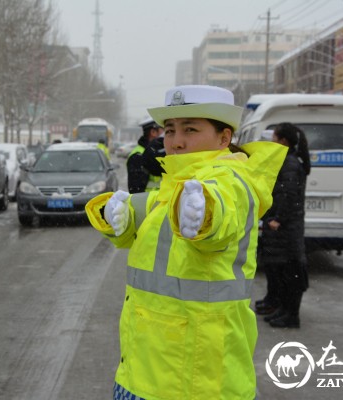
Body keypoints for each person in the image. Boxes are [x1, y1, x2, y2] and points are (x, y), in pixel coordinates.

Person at [85, 85, 287, 400]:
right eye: (170, 130)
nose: (176, 141)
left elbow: (220, 213)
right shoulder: (171, 188)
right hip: (140, 370)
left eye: (190, 129)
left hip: (196, 382)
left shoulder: (230, 182)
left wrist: (206, 215)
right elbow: (142, 215)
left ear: (224, 137)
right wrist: (114, 215)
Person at [258, 122, 311, 329]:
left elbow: (289, 195)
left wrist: (277, 219)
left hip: (287, 228)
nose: (271, 141)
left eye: (274, 138)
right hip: (284, 227)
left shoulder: (290, 163)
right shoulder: (286, 161)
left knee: (291, 272)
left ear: (283, 141)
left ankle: (291, 316)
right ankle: (283, 309)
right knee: (281, 270)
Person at [126, 117, 163, 193]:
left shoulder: (159, 151)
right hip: (148, 203)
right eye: (163, 129)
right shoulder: (138, 156)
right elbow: (136, 191)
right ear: (153, 132)